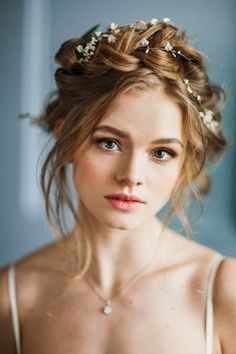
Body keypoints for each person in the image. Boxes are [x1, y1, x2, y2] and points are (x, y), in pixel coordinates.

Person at [0, 18, 235, 354]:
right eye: (109, 143)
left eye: (161, 152)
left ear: (184, 161)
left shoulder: (224, 290)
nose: (131, 175)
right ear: (64, 134)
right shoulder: (12, 297)